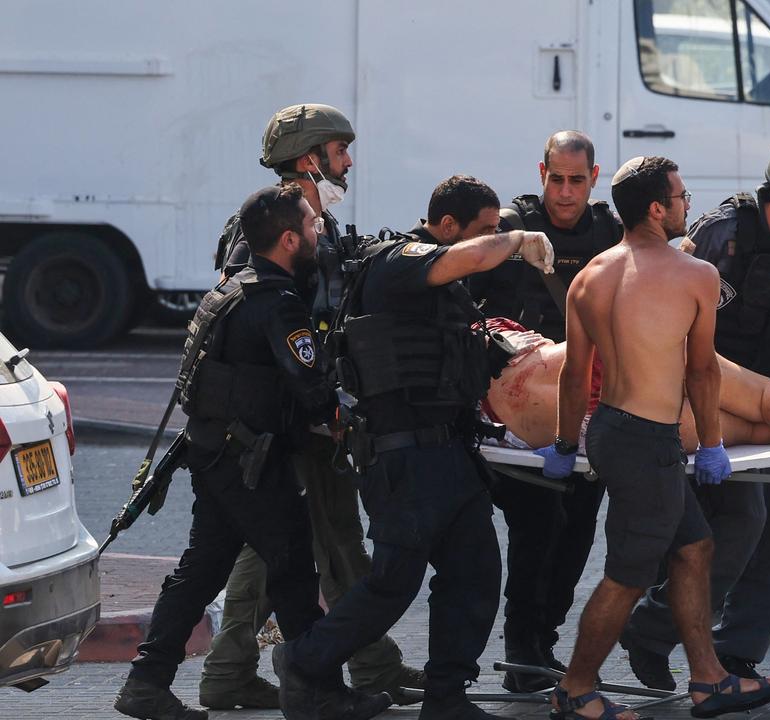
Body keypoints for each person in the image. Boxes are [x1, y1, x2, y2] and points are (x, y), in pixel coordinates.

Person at [272, 191, 557, 720]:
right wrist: (517, 240)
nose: (493, 238)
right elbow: (470, 256)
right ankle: (304, 661)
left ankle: (447, 697)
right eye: (486, 228)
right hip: (402, 457)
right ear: (447, 225)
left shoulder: (446, 289)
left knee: (474, 573)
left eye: (499, 229)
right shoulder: (397, 261)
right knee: (393, 583)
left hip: (449, 451)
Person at [113, 185, 389, 720]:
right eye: (310, 227)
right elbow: (311, 388)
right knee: (293, 569)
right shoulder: (276, 303)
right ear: (288, 239)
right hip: (248, 462)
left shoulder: (230, 289)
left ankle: (146, 683)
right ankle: (316, 691)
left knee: (202, 568)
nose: (317, 233)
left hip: (217, 453)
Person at [534, 156, 770, 720]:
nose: (686, 205)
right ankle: (574, 689)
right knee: (626, 574)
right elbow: (703, 372)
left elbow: (576, 375)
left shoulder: (590, 276)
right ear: (656, 208)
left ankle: (709, 679)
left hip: (612, 432)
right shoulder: (695, 275)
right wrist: (716, 443)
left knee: (694, 549)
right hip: (647, 443)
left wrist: (563, 445)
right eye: (679, 197)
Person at [202, 104, 423, 709]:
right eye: (339, 149)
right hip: (287, 416)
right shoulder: (272, 227)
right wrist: (314, 403)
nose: (348, 160)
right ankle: (238, 671)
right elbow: (261, 319)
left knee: (328, 538)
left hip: (312, 408)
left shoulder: (315, 221)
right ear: (309, 159)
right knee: (291, 543)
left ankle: (367, 663)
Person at [621, 136, 770, 689]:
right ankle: (652, 632)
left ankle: (737, 655)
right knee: (742, 523)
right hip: (701, 395)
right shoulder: (720, 235)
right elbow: (666, 312)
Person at [467, 130, 624, 692]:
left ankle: (543, 638)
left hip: (588, 407)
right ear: (541, 174)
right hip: (518, 411)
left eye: (576, 180)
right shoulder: (509, 229)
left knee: (580, 526)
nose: (564, 192)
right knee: (538, 525)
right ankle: (521, 641)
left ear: (594, 178)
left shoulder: (610, 230)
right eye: (555, 179)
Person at [479, 317, 770, 451]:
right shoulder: (494, 327)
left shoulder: (474, 406)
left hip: (592, 426)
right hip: (607, 357)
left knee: (748, 432)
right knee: (757, 396)